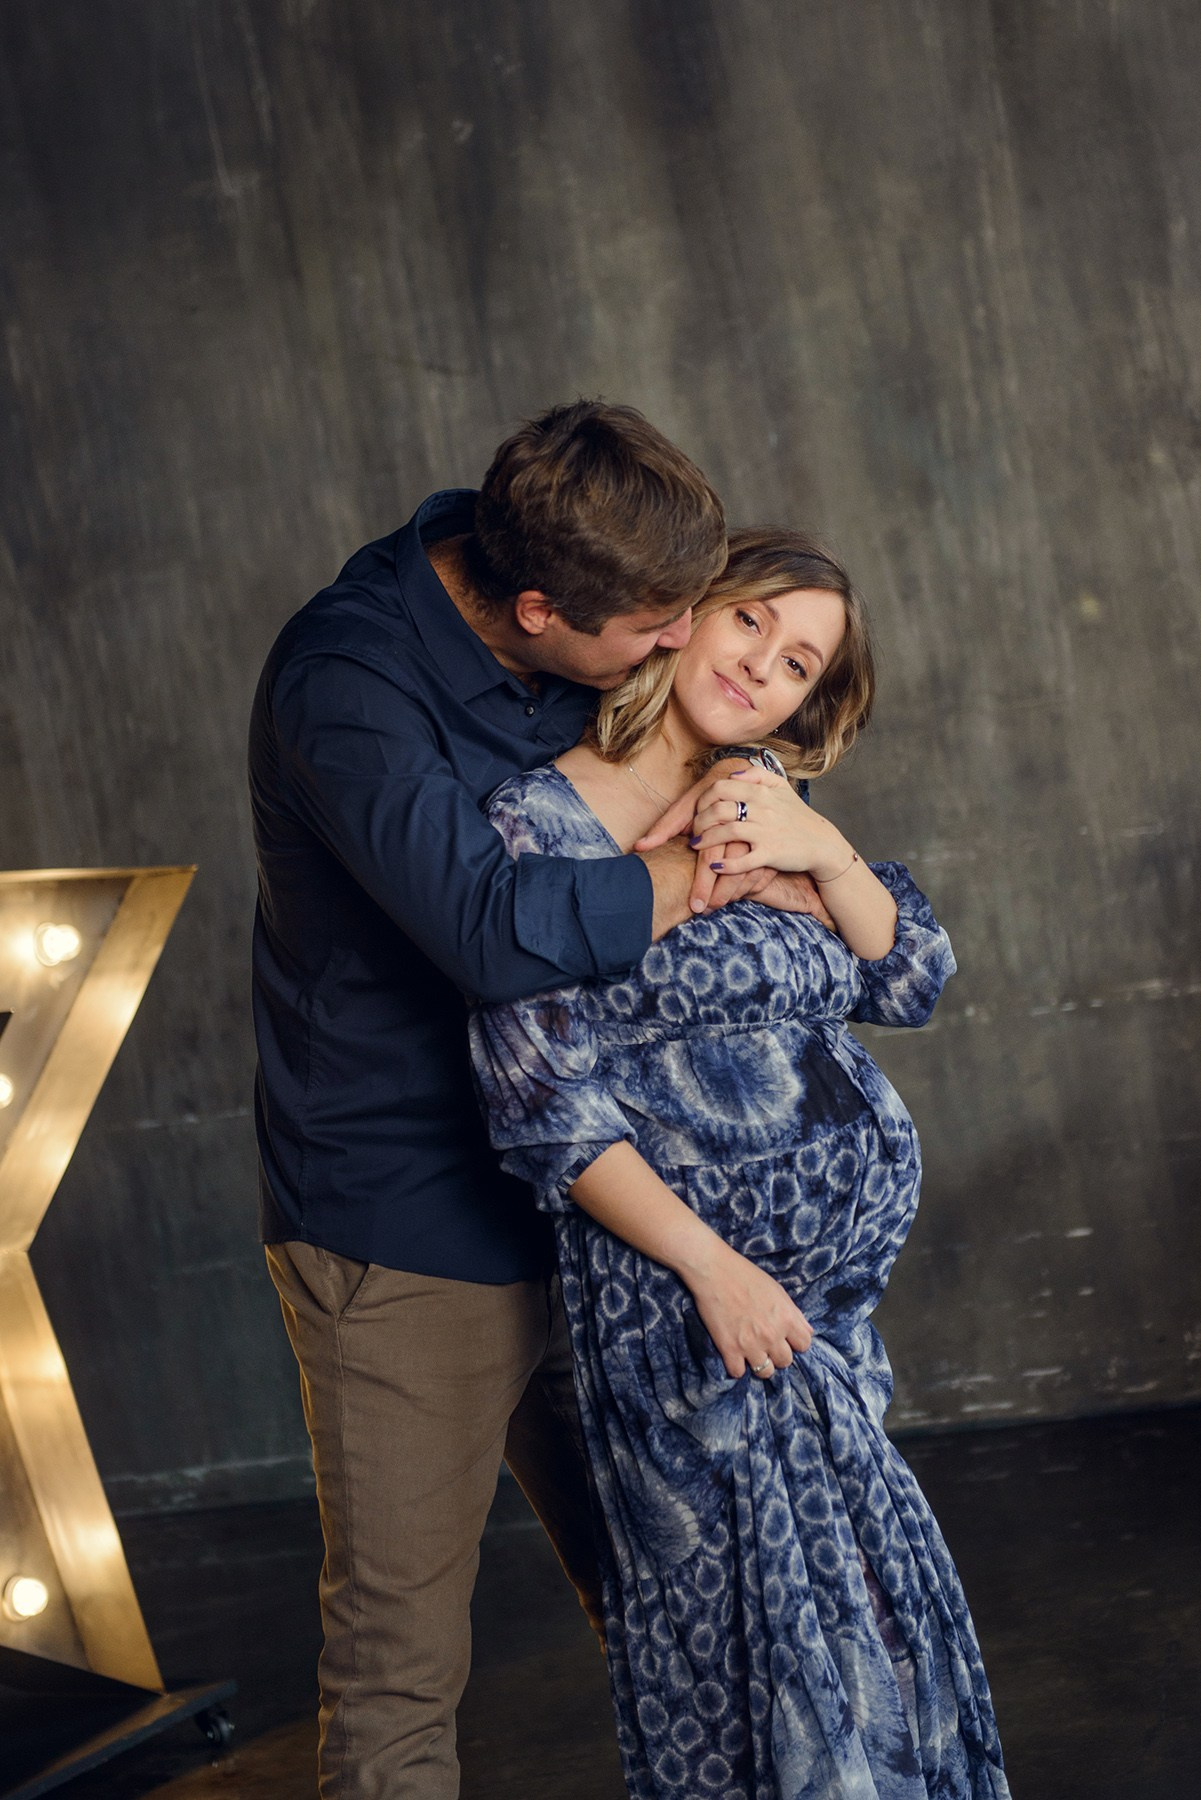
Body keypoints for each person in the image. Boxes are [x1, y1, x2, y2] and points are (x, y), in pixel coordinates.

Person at [248, 402, 828, 1799]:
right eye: (654, 632)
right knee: (399, 1678)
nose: (686, 646)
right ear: (534, 613)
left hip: (591, 1199)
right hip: (405, 1226)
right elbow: (495, 928)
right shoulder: (347, 684)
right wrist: (711, 875)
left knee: (686, 1603)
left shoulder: (582, 574)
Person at [469, 529, 1012, 1799]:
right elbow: (540, 1104)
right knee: (755, 1662)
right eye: (752, 624)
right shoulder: (534, 826)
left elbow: (912, 973)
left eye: (800, 661)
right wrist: (717, 1272)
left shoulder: (759, 798)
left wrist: (818, 854)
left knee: (867, 1637)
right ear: (684, 618)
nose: (765, 665)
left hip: (826, 1322)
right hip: (691, 1308)